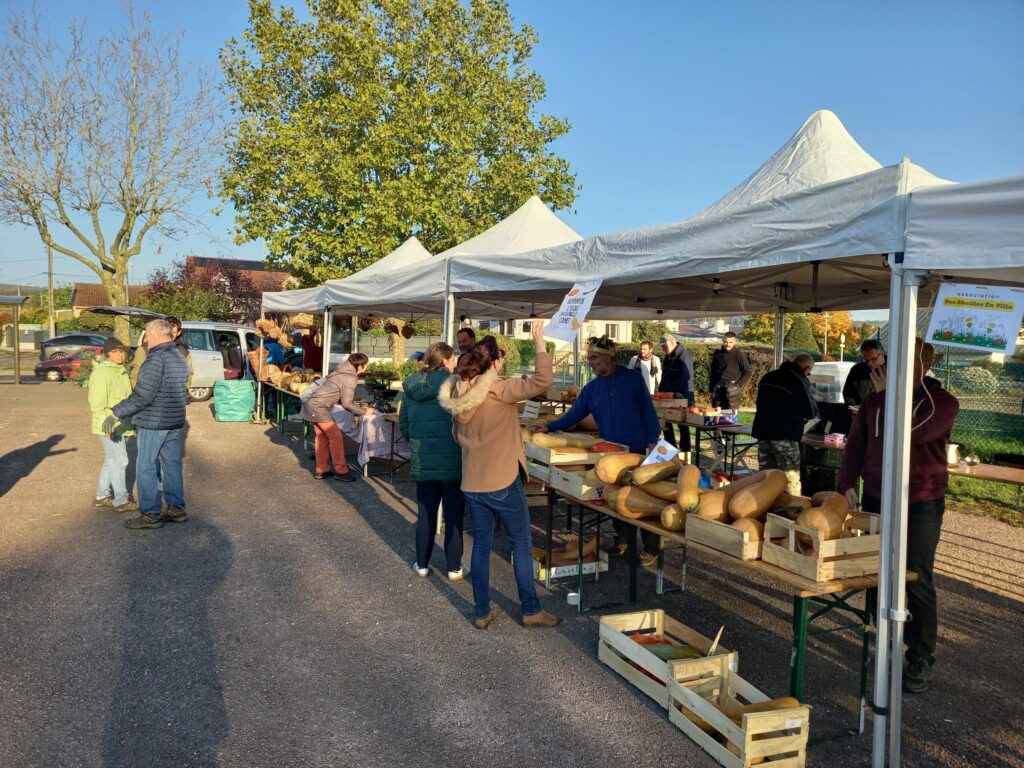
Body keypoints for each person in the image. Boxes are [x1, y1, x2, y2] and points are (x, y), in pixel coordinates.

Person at [838, 340, 959, 694]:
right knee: (879, 570)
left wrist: (890, 397)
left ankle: (921, 656)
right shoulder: (876, 399)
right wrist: (847, 481)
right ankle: (884, 636)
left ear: (925, 365)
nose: (892, 369)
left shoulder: (943, 403)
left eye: (905, 363)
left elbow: (911, 434)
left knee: (915, 575)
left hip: (920, 501)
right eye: (894, 362)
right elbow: (856, 443)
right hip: (877, 495)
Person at [439, 321, 561, 630]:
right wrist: (539, 341)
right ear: (494, 361)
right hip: (503, 481)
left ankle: (482, 611)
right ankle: (531, 609)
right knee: (520, 545)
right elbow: (543, 379)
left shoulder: (458, 390)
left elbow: (456, 434)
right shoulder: (499, 388)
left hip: (472, 482)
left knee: (480, 546)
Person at [532, 336, 662, 566]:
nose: (589, 362)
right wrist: (550, 426)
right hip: (610, 453)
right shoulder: (592, 389)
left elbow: (648, 412)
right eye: (589, 357)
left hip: (639, 449)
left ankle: (651, 547)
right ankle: (624, 540)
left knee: (644, 499)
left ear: (608, 358)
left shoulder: (632, 379)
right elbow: (574, 415)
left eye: (593, 357)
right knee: (615, 498)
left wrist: (653, 440)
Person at [108, 318, 190, 529]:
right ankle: (176, 508)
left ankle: (151, 514)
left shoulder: (155, 360)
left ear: (155, 334)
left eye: (146, 334)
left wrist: (115, 413)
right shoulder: (179, 357)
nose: (145, 339)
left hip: (154, 422)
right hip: (174, 421)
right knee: (171, 465)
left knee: (145, 467)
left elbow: (143, 396)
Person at [400, 342, 467, 580]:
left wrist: (420, 442)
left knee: (426, 514)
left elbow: (405, 425)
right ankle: (454, 568)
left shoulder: (411, 387)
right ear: (446, 360)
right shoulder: (456, 385)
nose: (456, 363)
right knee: (453, 515)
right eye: (453, 359)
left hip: (423, 459)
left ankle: (422, 564)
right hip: (453, 461)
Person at [751, 353, 818, 494]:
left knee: (766, 477)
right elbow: (810, 411)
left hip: (763, 431)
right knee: (790, 477)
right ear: (806, 368)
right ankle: (792, 509)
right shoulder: (799, 380)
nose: (809, 374)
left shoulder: (768, 376)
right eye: (809, 371)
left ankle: (764, 507)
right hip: (785, 434)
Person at [300, 353, 371, 482]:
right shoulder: (350, 377)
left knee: (322, 437)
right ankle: (341, 472)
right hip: (319, 408)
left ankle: (322, 470)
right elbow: (347, 404)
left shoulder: (340, 370)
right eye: (365, 364)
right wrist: (365, 411)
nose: (365, 367)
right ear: (360, 365)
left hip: (313, 406)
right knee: (335, 436)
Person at [90, 337, 138, 513]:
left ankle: (102, 495)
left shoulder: (120, 370)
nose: (120, 354)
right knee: (120, 461)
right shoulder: (102, 372)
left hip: (121, 423)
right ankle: (121, 499)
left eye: (122, 351)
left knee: (111, 460)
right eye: (116, 351)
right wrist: (106, 425)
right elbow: (97, 403)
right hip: (110, 424)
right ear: (107, 354)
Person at [659, 333, 695, 453]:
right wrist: (661, 391)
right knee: (666, 421)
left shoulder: (684, 355)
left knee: (682, 424)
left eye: (664, 346)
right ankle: (671, 449)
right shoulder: (668, 356)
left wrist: (670, 390)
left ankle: (685, 451)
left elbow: (685, 376)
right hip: (668, 394)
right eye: (661, 346)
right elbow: (665, 375)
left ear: (673, 342)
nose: (663, 349)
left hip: (682, 395)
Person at [709, 331, 751, 410]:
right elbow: (713, 373)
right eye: (725, 342)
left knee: (730, 418)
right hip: (717, 389)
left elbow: (748, 372)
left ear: (735, 342)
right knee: (716, 418)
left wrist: (737, 385)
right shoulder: (717, 353)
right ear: (723, 341)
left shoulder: (739, 354)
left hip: (732, 391)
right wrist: (711, 390)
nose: (728, 344)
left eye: (730, 342)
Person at [843, 339, 886, 407]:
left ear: (882, 354)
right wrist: (853, 406)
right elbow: (848, 393)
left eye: (873, 359)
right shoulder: (857, 370)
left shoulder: (893, 370)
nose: (869, 363)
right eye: (866, 360)